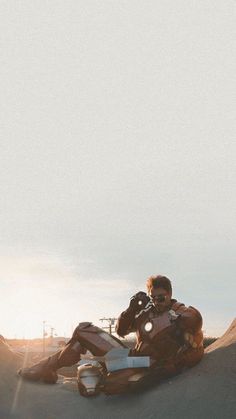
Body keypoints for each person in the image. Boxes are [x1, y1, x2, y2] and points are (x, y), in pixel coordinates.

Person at [18, 275, 204, 395]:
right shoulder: (146, 312)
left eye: (161, 298)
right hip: (131, 357)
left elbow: (195, 324)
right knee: (84, 330)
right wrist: (131, 309)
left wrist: (170, 366)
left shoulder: (179, 312)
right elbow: (121, 331)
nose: (156, 302)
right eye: (152, 297)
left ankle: (96, 373)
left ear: (170, 294)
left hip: (150, 366)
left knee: (111, 385)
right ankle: (48, 367)